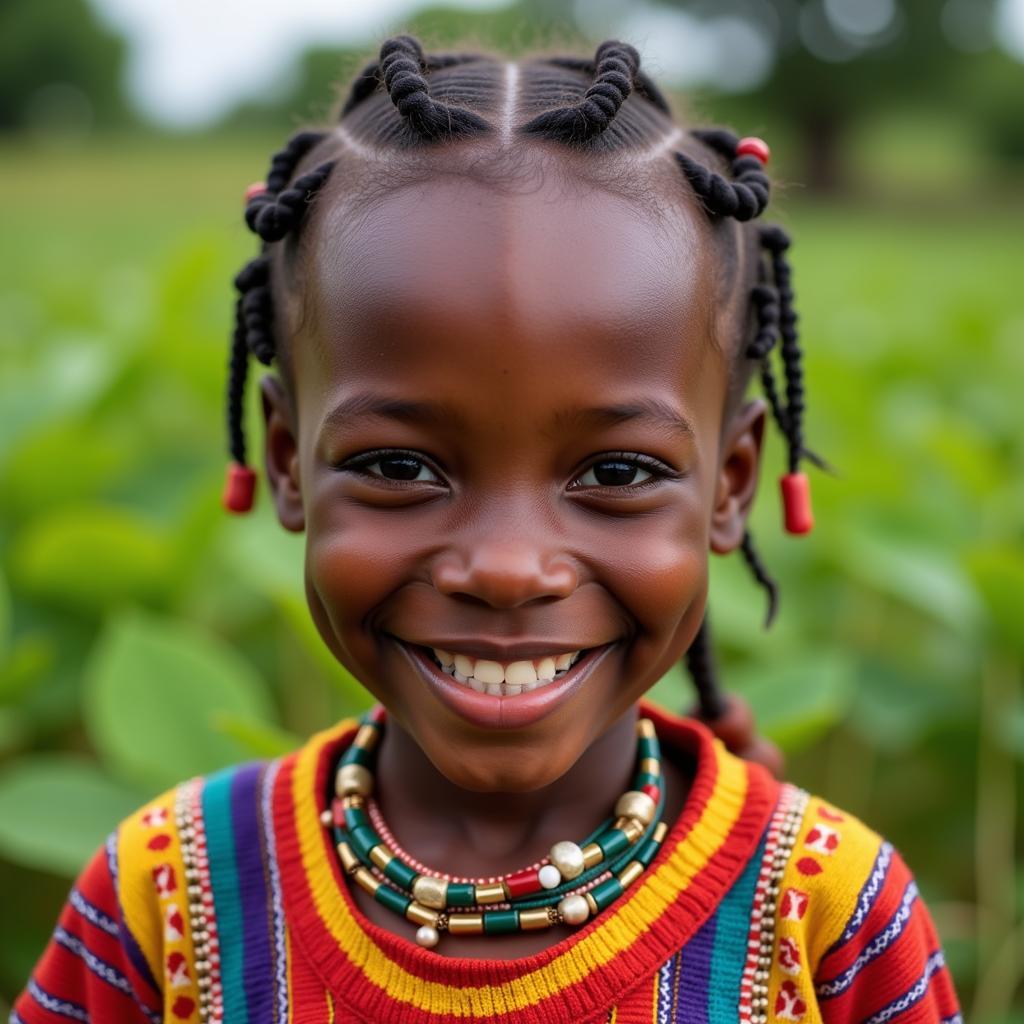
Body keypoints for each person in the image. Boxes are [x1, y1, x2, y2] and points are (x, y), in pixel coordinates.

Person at [13, 36, 962, 1024]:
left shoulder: (829, 917)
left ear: (730, 485)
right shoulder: (166, 897)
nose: (507, 570)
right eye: (398, 467)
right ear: (288, 462)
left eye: (617, 472)